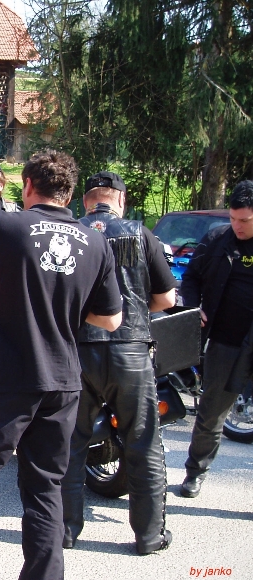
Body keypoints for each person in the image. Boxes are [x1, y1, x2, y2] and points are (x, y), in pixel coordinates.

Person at [0, 150, 122, 580]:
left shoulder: (7, 227)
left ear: (28, 186)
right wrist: (62, 304)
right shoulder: (95, 243)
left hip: (5, 379)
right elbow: (111, 319)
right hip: (62, 382)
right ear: (70, 194)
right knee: (45, 488)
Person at [60, 171, 177, 556]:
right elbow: (167, 299)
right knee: (143, 443)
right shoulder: (141, 234)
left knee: (71, 444)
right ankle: (149, 536)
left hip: (78, 352)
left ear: (86, 201)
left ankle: (66, 531)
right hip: (130, 350)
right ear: (121, 201)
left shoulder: (71, 233)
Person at [179, 180, 253, 497]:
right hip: (225, 343)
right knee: (211, 414)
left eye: (245, 220)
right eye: (233, 218)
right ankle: (195, 472)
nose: (237, 226)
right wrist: (193, 308)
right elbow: (191, 278)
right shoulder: (217, 239)